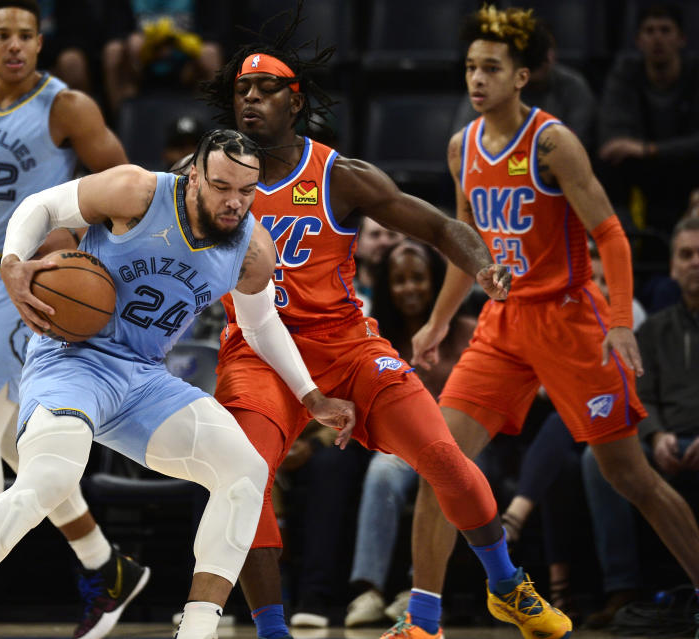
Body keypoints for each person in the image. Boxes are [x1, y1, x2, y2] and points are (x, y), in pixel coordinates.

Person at [0, 128, 356, 639]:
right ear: (195, 173)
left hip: (143, 379)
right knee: (49, 480)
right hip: (72, 360)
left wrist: (311, 396)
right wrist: (13, 264)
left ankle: (197, 630)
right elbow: (43, 207)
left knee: (245, 470)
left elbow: (260, 324)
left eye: (247, 191)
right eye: (222, 187)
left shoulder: (251, 249)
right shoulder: (138, 191)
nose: (235, 202)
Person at [197, 24, 564, 639]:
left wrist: (484, 263)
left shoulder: (338, 175)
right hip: (257, 353)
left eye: (266, 89)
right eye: (242, 90)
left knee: (443, 455)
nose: (251, 100)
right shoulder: (206, 177)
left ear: (297, 101)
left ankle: (505, 585)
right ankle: (272, 630)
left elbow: (444, 228)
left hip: (347, 348)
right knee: (244, 479)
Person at [401, 5, 699, 638]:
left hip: (570, 320)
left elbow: (611, 236)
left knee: (629, 475)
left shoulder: (553, 141)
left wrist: (620, 319)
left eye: (491, 69)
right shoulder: (463, 147)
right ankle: (422, 623)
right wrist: (436, 322)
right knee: (439, 460)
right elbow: (467, 246)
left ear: (522, 77)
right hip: (502, 324)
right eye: (470, 68)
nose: (476, 80)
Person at [0, 2, 144, 637]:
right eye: (3, 35)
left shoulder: (68, 107)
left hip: (34, 282)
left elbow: (124, 184)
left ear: (40, 45)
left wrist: (64, 235)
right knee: (16, 447)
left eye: (26, 36)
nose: (15, 46)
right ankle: (107, 567)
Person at [344, 241, 477, 628]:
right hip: (401, 446)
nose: (409, 288)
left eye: (418, 278)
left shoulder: (467, 331)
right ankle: (369, 590)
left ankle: (417, 590)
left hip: (463, 443)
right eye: (399, 280)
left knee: (442, 470)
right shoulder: (378, 336)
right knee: (382, 471)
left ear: (436, 282)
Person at [581, 215, 699, 629]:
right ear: (672, 267)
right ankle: (622, 589)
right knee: (597, 460)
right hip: (665, 439)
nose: (695, 263)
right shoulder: (653, 330)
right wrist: (657, 434)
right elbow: (641, 394)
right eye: (686, 255)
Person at [598, 2, 699, 235]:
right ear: (638, 41)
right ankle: (622, 242)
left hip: (690, 173)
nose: (657, 39)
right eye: (650, 31)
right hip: (644, 177)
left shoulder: (695, 73)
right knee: (608, 165)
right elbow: (611, 140)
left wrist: (649, 149)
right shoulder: (625, 72)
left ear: (681, 39)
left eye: (665, 30)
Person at [452, 17, 596, 150]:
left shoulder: (573, 86)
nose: (544, 58)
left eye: (547, 50)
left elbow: (576, 145)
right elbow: (465, 144)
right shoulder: (488, 86)